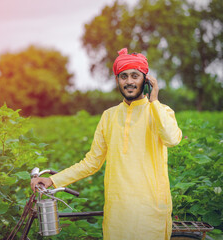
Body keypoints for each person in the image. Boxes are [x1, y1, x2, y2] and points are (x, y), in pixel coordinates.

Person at [31, 48, 182, 240]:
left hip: (151, 211)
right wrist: (54, 180)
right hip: (117, 212)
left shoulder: (161, 111)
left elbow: (172, 138)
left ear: (146, 80)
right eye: (123, 76)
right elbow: (91, 162)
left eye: (135, 76)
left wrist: (154, 101)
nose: (129, 81)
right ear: (117, 80)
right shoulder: (109, 116)